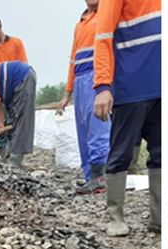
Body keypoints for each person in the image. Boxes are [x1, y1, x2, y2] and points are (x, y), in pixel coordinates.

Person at [93, 0, 162, 235]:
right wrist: (103, 86)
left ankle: (159, 219)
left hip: (161, 84)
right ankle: (115, 217)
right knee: (121, 151)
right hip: (131, 84)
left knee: (161, 153)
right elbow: (102, 37)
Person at [57, 0, 111, 195]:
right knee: (83, 130)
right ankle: (89, 176)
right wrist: (67, 93)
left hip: (97, 76)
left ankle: (100, 177)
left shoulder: (106, 16)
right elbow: (72, 60)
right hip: (80, 79)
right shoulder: (80, 24)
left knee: (98, 126)